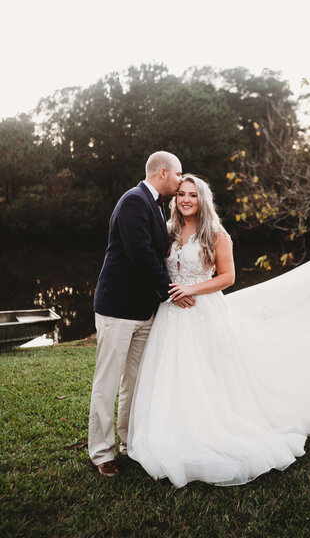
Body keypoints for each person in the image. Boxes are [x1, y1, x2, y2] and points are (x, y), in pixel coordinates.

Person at [127, 174, 310, 488]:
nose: (186, 200)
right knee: (170, 374)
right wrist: (170, 291)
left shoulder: (216, 234)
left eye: (193, 194)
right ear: (174, 199)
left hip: (202, 312)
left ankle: (210, 429)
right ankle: (169, 430)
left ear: (203, 199)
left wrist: (192, 288)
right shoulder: (168, 231)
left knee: (207, 373)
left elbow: (228, 277)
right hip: (170, 315)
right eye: (181, 195)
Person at [88, 151, 195, 477]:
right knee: (108, 383)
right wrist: (170, 291)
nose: (180, 181)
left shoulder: (157, 206)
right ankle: (102, 453)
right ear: (163, 172)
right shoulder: (134, 201)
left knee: (135, 383)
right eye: (178, 175)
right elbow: (141, 254)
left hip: (144, 310)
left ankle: (129, 442)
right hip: (118, 308)